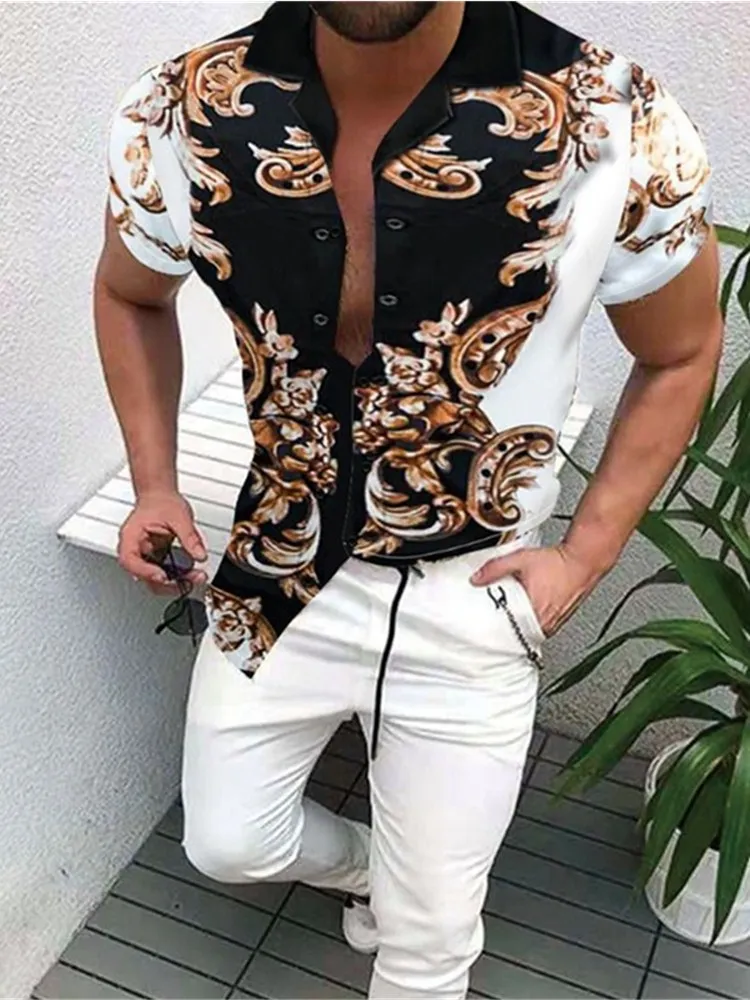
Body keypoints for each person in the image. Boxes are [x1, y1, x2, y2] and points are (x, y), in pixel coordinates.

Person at [94, 2, 721, 997]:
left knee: (430, 954)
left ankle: (418, 906)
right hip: (277, 559)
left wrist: (585, 554)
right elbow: (131, 293)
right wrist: (155, 483)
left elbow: (682, 350)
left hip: (474, 593)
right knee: (226, 838)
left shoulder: (616, 116)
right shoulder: (178, 108)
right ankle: (378, 872)